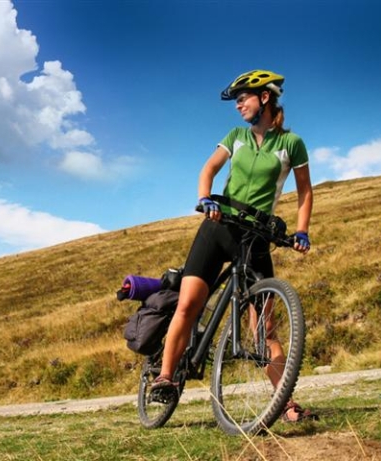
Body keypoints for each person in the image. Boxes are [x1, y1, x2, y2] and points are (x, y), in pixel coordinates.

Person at [152, 69, 317, 422]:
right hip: (218, 227)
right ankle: (164, 376)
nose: (239, 103)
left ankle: (284, 402)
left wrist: (301, 231)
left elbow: (305, 191)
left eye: (245, 96)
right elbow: (208, 169)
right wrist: (204, 198)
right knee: (189, 304)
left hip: (256, 238)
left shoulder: (291, 144)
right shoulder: (236, 136)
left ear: (266, 98)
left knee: (265, 329)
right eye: (237, 98)